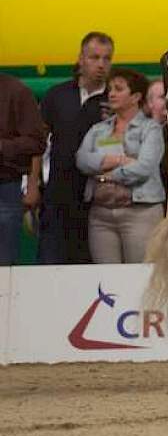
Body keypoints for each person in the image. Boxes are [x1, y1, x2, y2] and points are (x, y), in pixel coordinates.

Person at [35, 32, 112, 264]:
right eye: (95, 57)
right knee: (50, 262)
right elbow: (39, 143)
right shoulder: (57, 95)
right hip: (57, 194)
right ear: (81, 59)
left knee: (89, 268)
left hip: (97, 199)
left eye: (107, 58)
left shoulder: (115, 99)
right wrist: (32, 186)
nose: (101, 64)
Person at [76, 68, 164, 263]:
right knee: (107, 281)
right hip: (101, 215)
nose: (111, 94)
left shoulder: (151, 128)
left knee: (140, 277)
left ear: (136, 97)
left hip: (140, 211)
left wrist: (106, 175)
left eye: (118, 89)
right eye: (110, 89)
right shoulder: (98, 129)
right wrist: (118, 161)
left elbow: (144, 168)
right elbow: (81, 160)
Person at [0, 74, 46, 265]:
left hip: (5, 188)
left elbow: (37, 142)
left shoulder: (16, 91)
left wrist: (2, 147)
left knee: (4, 269)